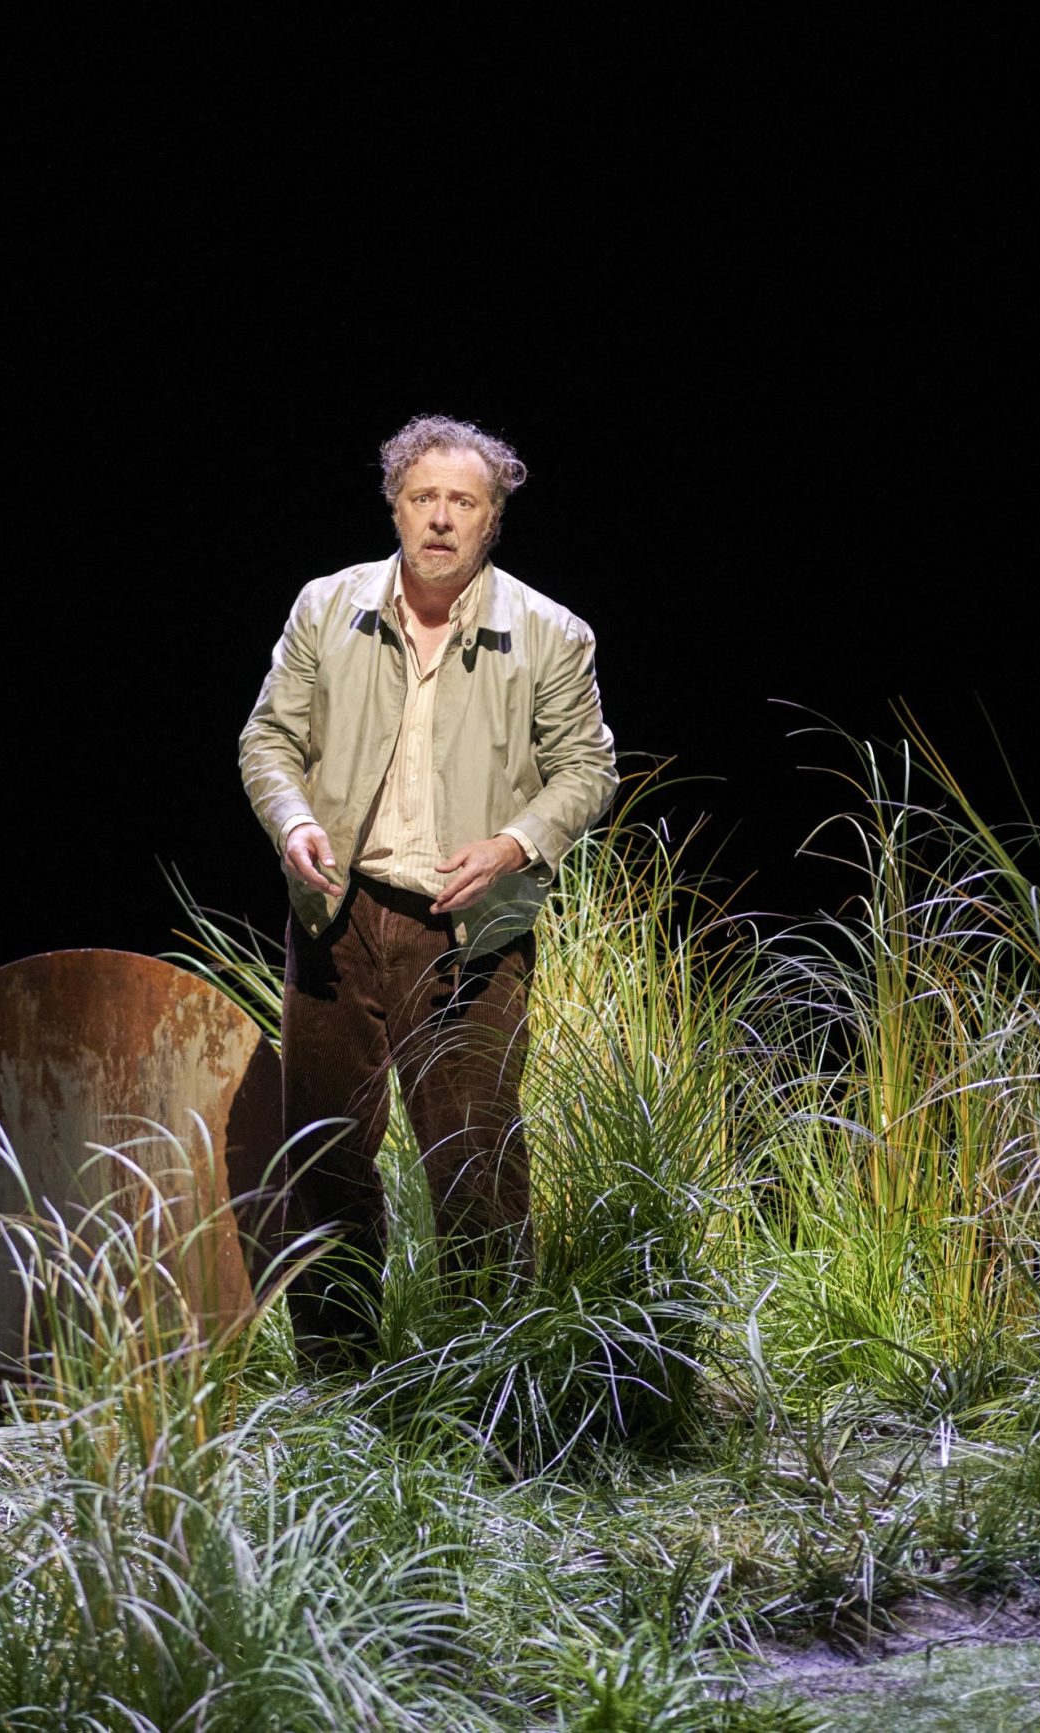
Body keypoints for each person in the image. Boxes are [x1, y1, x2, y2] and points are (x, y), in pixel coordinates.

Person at [237, 415, 618, 1361]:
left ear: (493, 520)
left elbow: (587, 770)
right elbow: (267, 741)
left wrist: (516, 845)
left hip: (470, 930)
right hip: (340, 914)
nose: (441, 519)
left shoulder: (549, 634)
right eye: (423, 498)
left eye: (465, 502)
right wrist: (294, 823)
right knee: (325, 1152)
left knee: (474, 1158)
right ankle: (340, 1378)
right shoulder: (326, 607)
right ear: (395, 505)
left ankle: (489, 1376)